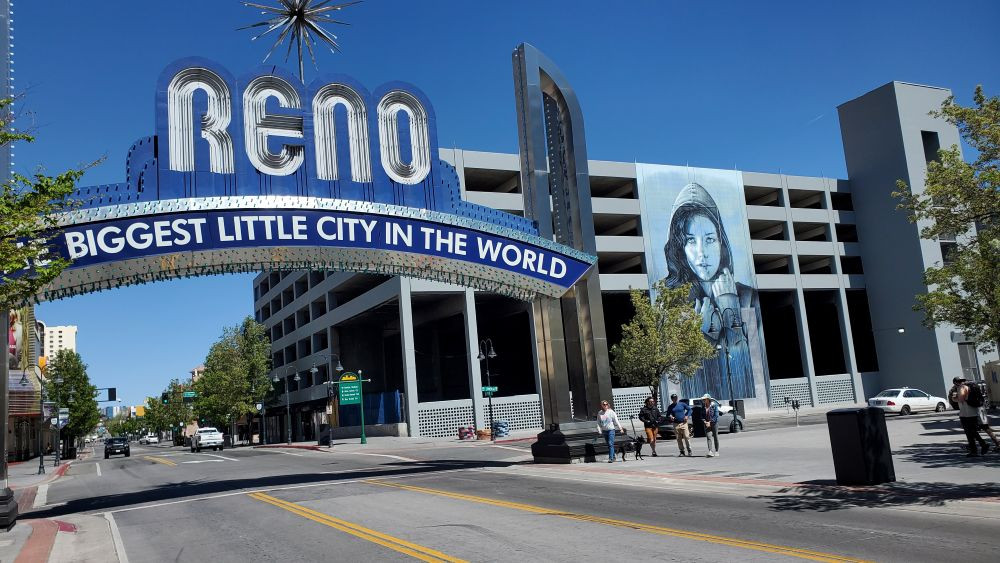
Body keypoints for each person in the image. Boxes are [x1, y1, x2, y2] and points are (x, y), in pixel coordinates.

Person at [662, 183, 759, 402]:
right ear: (680, 248)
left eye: (709, 239)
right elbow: (682, 376)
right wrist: (703, 336)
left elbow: (748, 374)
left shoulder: (747, 296)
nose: (702, 253)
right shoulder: (670, 302)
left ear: (721, 242)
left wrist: (729, 312)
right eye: (690, 241)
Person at [955, 378, 988, 457]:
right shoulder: (970, 387)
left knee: (970, 433)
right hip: (972, 412)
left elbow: (961, 399)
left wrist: (954, 398)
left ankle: (980, 446)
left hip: (966, 414)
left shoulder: (962, 387)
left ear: (955, 383)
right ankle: (977, 448)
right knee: (972, 432)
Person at [701, 393, 719, 457]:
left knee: (715, 437)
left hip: (714, 423)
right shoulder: (703, 406)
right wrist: (705, 421)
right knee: (708, 437)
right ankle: (710, 451)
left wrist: (710, 422)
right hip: (707, 424)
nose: (703, 400)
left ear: (708, 399)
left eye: (704, 399)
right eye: (703, 399)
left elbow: (716, 415)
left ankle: (716, 451)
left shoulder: (714, 405)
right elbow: (702, 415)